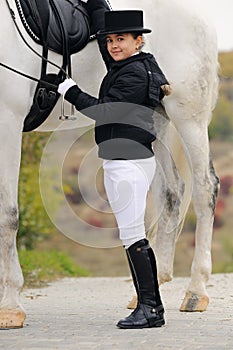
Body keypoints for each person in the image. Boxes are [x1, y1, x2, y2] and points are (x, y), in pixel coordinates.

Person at [58, 10, 170, 329]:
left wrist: (70, 91)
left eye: (121, 39)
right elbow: (114, 70)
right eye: (109, 40)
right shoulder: (134, 66)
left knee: (133, 235)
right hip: (128, 160)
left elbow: (107, 112)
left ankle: (150, 308)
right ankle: (151, 307)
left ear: (139, 40)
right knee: (131, 234)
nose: (113, 46)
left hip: (127, 164)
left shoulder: (134, 73)